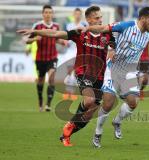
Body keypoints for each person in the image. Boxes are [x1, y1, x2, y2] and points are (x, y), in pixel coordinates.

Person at [17, 6, 116, 146]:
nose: (100, 20)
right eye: (97, 18)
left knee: (90, 112)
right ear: (88, 19)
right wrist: (35, 31)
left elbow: (114, 49)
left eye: (101, 17)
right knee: (89, 100)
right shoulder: (79, 33)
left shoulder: (107, 35)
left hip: (100, 76)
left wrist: (113, 54)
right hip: (83, 72)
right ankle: (66, 124)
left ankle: (67, 133)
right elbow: (55, 34)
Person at [80, 6, 149, 148]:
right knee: (108, 103)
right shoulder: (125, 26)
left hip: (129, 72)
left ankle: (117, 121)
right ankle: (98, 133)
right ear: (143, 19)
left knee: (133, 103)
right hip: (113, 69)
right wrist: (90, 30)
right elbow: (105, 30)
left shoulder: (147, 35)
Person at [25, 5, 66, 112]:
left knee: (52, 78)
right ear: (43, 14)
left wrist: (61, 41)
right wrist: (35, 38)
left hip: (52, 57)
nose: (48, 14)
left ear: (52, 14)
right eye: (46, 12)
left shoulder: (56, 26)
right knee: (41, 80)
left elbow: (56, 39)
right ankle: (40, 101)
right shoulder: (37, 26)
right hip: (40, 58)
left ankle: (48, 104)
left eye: (50, 12)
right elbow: (27, 40)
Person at [62, 8, 88, 100]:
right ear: (73, 15)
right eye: (76, 14)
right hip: (69, 51)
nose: (77, 15)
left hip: (79, 52)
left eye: (79, 14)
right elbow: (64, 36)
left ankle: (72, 92)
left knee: (76, 73)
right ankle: (67, 92)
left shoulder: (84, 25)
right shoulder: (68, 25)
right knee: (69, 72)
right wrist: (64, 41)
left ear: (81, 15)